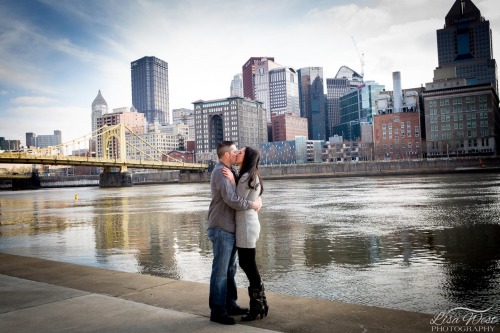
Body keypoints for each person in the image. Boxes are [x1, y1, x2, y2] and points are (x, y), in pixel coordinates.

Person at [207, 141, 262, 325]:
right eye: (234, 151)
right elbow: (232, 199)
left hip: (231, 229)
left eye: (239, 151)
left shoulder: (233, 172)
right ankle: (218, 311)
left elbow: (250, 189)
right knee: (221, 272)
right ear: (227, 155)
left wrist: (258, 200)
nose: (237, 152)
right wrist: (253, 205)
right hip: (221, 227)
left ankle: (230, 304)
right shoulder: (221, 172)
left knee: (230, 270)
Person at [222, 146, 269, 321]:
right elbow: (249, 198)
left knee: (248, 265)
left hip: (246, 226)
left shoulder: (245, 178)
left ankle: (258, 306)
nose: (237, 153)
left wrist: (233, 183)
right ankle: (261, 303)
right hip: (249, 224)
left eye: (240, 152)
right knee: (248, 264)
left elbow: (236, 201)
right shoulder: (253, 175)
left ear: (247, 157)